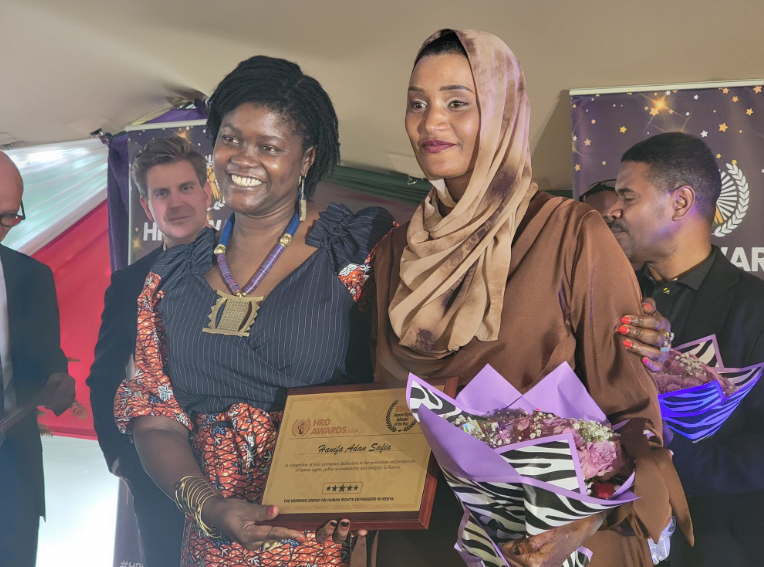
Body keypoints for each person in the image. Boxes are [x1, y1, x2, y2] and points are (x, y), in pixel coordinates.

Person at [369, 30, 690, 567]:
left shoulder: (570, 233)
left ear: (502, 111)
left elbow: (635, 416)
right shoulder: (395, 250)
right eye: (416, 104)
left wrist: (582, 520)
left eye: (457, 103)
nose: (431, 123)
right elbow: (380, 401)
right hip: (423, 539)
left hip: (547, 544)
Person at [114, 56, 395, 567]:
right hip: (210, 540)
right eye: (231, 139)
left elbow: (400, 387)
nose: (243, 159)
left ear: (306, 158)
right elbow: (155, 417)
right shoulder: (169, 278)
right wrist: (209, 506)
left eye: (268, 147)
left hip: (318, 540)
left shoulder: (355, 255)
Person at [605, 131, 764, 567]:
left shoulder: (755, 307)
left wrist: (670, 463)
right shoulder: (606, 299)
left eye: (627, 197)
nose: (613, 210)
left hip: (719, 544)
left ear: (679, 202)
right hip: (614, 540)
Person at [87, 136, 211, 566]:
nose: (175, 202)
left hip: (244, 469)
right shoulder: (128, 284)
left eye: (185, 188)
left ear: (207, 190)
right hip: (157, 477)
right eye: (161, 193)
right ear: (146, 207)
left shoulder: (249, 267)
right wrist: (121, 459)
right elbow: (104, 376)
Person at [0, 151, 76, 566]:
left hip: (13, 470)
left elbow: (49, 361)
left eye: (8, 217)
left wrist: (58, 379)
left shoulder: (32, 277)